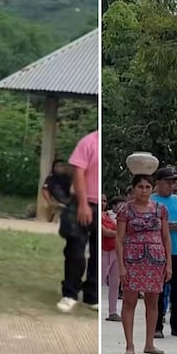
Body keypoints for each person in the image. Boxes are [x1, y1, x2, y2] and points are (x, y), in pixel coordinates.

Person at [117, 174, 171, 354]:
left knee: (153, 301)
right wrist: (121, 266)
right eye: (140, 186)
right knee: (129, 300)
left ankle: (149, 343)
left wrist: (168, 264)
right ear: (134, 188)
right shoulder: (126, 210)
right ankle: (129, 345)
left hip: (156, 258)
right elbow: (119, 239)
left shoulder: (160, 209)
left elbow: (166, 237)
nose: (144, 190)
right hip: (133, 258)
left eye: (148, 187)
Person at [55, 131, 99, 313]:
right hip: (84, 201)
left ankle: (92, 295)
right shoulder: (89, 142)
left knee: (98, 254)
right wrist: (83, 204)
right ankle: (70, 293)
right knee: (75, 250)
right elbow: (78, 172)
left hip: (101, 204)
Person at [151, 167, 177, 337]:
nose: (171, 185)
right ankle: (156, 325)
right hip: (158, 251)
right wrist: (170, 226)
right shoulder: (151, 201)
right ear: (158, 182)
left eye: (173, 181)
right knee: (158, 291)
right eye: (167, 181)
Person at [102, 194, 123, 322]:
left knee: (115, 283)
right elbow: (105, 232)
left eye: (104, 200)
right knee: (100, 279)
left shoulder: (109, 216)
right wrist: (120, 234)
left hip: (115, 251)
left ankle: (113, 311)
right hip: (103, 250)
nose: (103, 202)